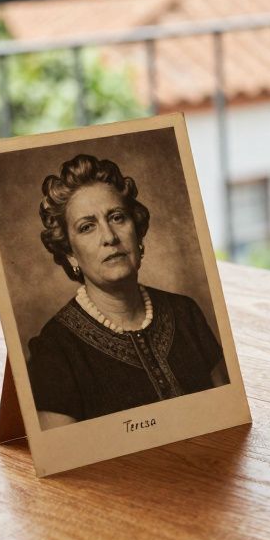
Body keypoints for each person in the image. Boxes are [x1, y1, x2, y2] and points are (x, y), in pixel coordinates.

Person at [27, 154, 229, 429]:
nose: (109, 237)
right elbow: (70, 462)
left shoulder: (185, 313)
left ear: (138, 231)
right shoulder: (54, 350)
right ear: (69, 253)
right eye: (87, 227)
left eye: (117, 217)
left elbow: (227, 417)